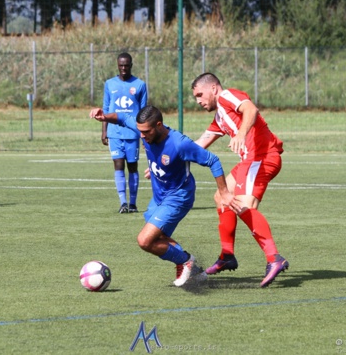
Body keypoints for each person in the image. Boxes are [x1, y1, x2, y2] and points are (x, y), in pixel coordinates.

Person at [90, 105, 237, 287]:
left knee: (145, 240)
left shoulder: (179, 143)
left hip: (178, 197)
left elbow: (212, 160)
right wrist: (104, 116)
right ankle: (194, 271)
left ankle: (186, 261)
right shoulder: (144, 128)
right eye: (140, 131)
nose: (142, 136)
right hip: (159, 196)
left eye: (146, 132)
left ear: (159, 125)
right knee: (158, 240)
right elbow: (121, 117)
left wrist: (224, 192)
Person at [191, 72, 288, 287]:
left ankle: (274, 259)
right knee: (221, 197)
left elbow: (251, 109)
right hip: (251, 160)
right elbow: (198, 145)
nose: (198, 100)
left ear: (213, 89)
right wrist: (168, 161)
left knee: (243, 205)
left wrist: (241, 134)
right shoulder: (219, 117)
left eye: (200, 94)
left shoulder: (227, 96)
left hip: (262, 157)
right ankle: (227, 255)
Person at [101, 52, 148, 214]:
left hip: (133, 133)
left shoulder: (140, 85)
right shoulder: (109, 84)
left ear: (131, 65)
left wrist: (144, 133)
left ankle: (133, 203)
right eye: (121, 65)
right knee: (118, 165)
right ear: (117, 65)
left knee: (133, 167)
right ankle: (123, 202)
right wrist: (104, 130)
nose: (123, 68)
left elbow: (143, 112)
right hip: (114, 132)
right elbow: (106, 109)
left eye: (126, 65)